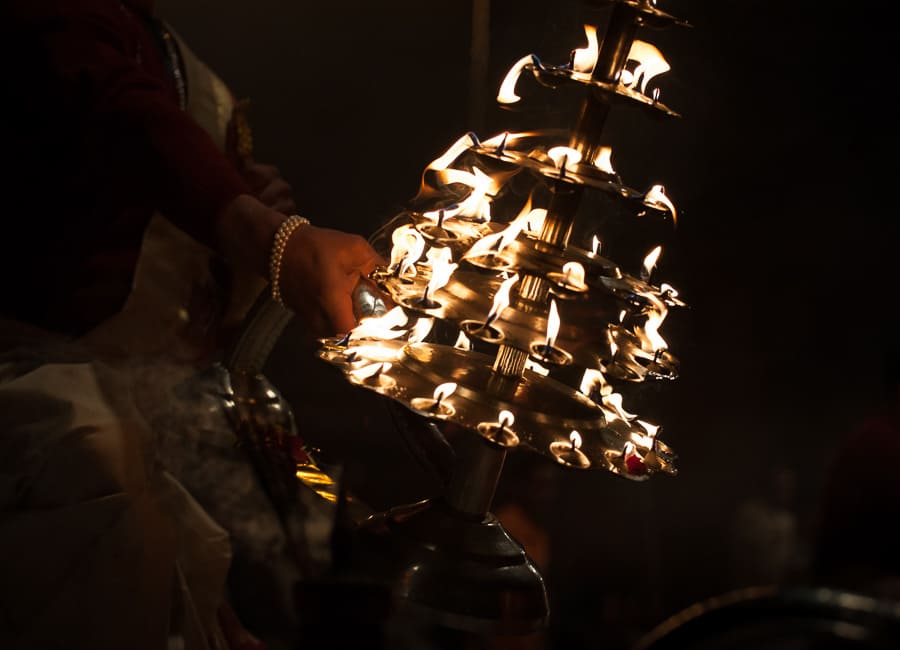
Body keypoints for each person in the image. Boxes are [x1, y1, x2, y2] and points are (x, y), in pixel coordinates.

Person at [0, 1, 383, 648]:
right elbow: (125, 119)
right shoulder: (64, 16)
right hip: (35, 391)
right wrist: (265, 234)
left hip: (139, 406)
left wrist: (240, 219)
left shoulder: (169, 45)